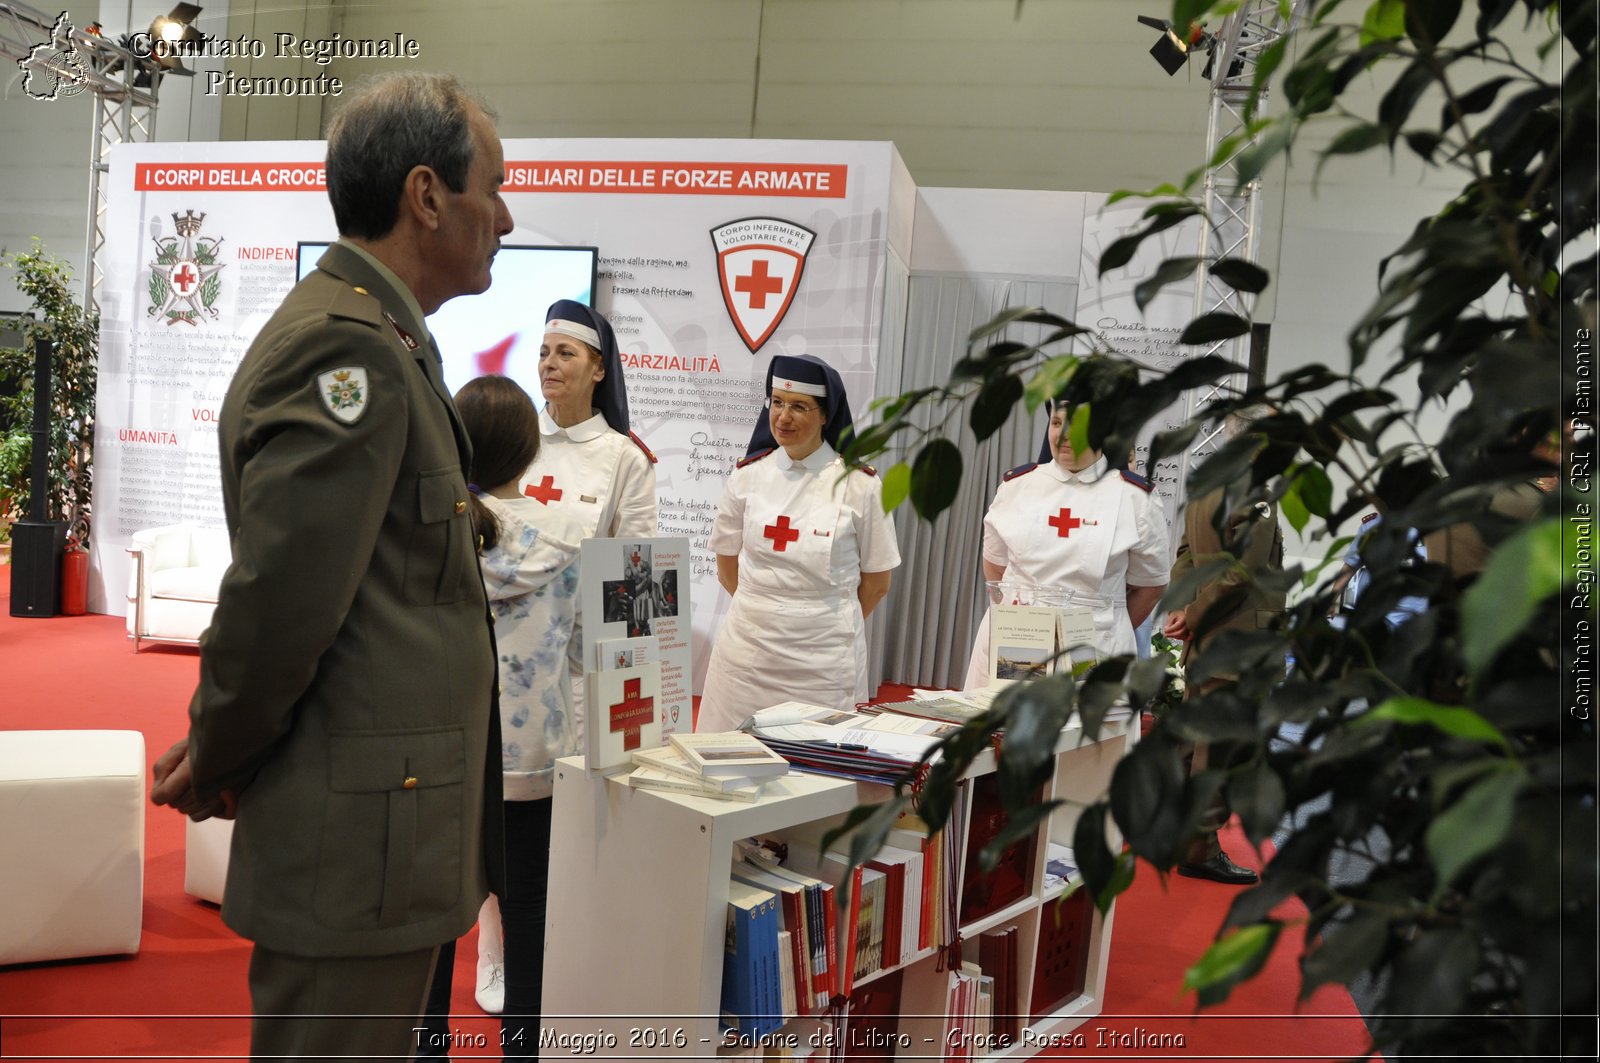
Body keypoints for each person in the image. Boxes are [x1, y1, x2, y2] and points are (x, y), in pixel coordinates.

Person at [148, 71, 513, 1057]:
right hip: (359, 843)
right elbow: (281, 603)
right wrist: (219, 753)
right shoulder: (344, 351)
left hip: (385, 828)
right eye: (494, 186)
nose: (506, 216)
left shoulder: (385, 338)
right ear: (427, 195)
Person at [466, 301, 655, 1012]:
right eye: (542, 349)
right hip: (511, 663)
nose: (547, 361)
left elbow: (635, 579)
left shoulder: (626, 460)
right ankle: (494, 955)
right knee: (498, 838)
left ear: (599, 369)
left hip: (575, 671)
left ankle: (548, 965)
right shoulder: (516, 434)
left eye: (565, 352)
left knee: (545, 851)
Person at [419, 375, 583, 1060]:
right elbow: (578, 654)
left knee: (433, 918)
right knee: (531, 915)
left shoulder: (434, 534)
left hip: (446, 754)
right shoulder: (569, 536)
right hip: (537, 760)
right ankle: (524, 1051)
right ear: (529, 450)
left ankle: (429, 1048)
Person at [696, 354, 901, 732]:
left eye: (799, 407)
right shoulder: (746, 477)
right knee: (726, 757)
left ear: (826, 414)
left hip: (822, 659)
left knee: (815, 769)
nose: (783, 417)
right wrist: (766, 610)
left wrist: (823, 621)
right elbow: (726, 566)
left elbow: (878, 582)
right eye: (776, 403)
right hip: (747, 653)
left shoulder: (861, 486)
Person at [962, 401, 1169, 689]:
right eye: (1057, 423)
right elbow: (996, 569)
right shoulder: (1017, 486)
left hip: (1096, 643)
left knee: (1086, 732)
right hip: (1017, 639)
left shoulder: (1136, 498)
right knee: (1004, 728)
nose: (1064, 434)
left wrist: (1107, 624)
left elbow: (1151, 585)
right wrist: (1022, 613)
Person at [1162, 407, 1286, 885]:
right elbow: (1241, 573)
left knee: (1196, 748)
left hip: (1208, 641)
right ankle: (1199, 850)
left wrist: (1184, 608)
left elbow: (1187, 555)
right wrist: (1193, 615)